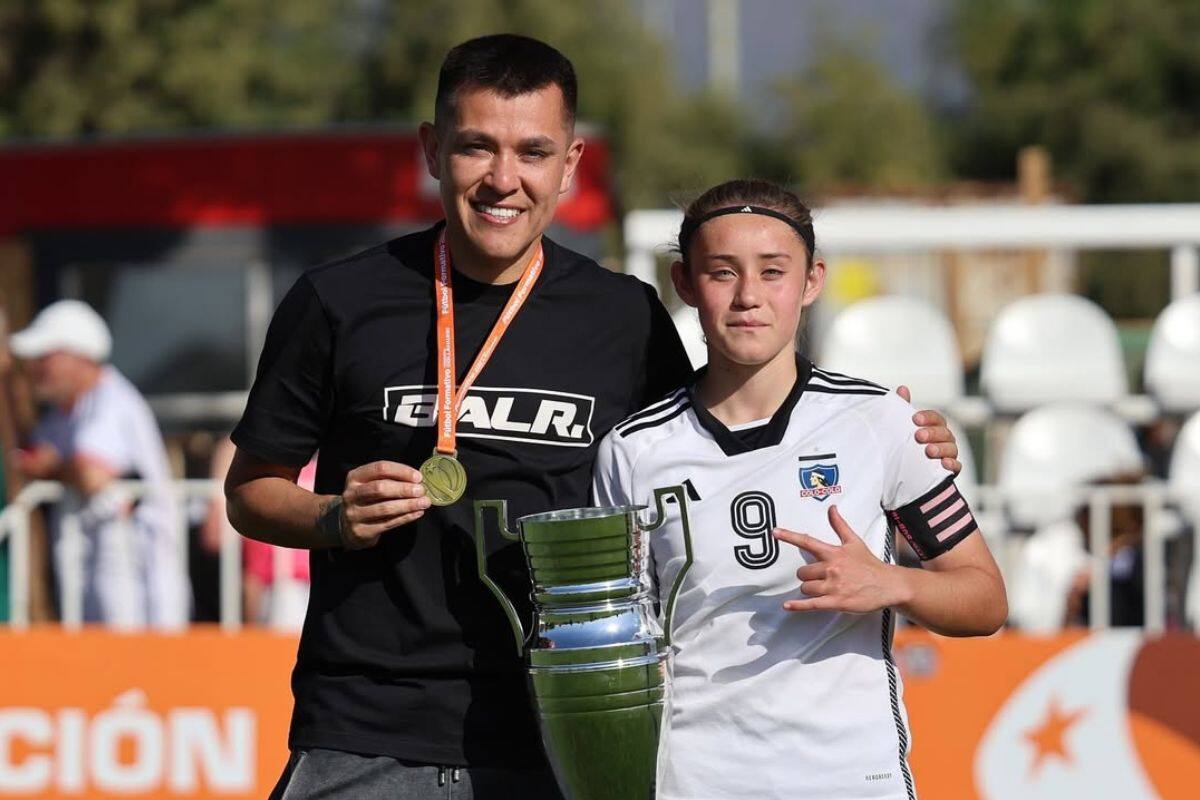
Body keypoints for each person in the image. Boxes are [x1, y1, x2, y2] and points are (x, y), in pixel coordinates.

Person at [224, 36, 964, 799]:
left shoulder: (623, 316)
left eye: (533, 152)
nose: (503, 179)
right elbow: (250, 492)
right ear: (432, 149)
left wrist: (882, 432)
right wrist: (332, 517)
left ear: (570, 165)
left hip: (564, 730)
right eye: (477, 147)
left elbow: (721, 445)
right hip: (367, 730)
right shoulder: (337, 302)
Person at [592, 180, 1006, 800]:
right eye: (722, 273)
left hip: (849, 779)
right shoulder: (632, 451)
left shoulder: (881, 422)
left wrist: (892, 584)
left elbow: (986, 600)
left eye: (773, 271)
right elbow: (619, 641)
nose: (748, 296)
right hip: (695, 781)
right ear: (683, 284)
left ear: (812, 281)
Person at [9, 299, 187, 629]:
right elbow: (31, 454)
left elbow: (92, 474)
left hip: (134, 580)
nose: (34, 368)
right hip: (90, 576)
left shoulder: (113, 401)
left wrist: (52, 467)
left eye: (44, 357)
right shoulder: (64, 414)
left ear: (79, 357)